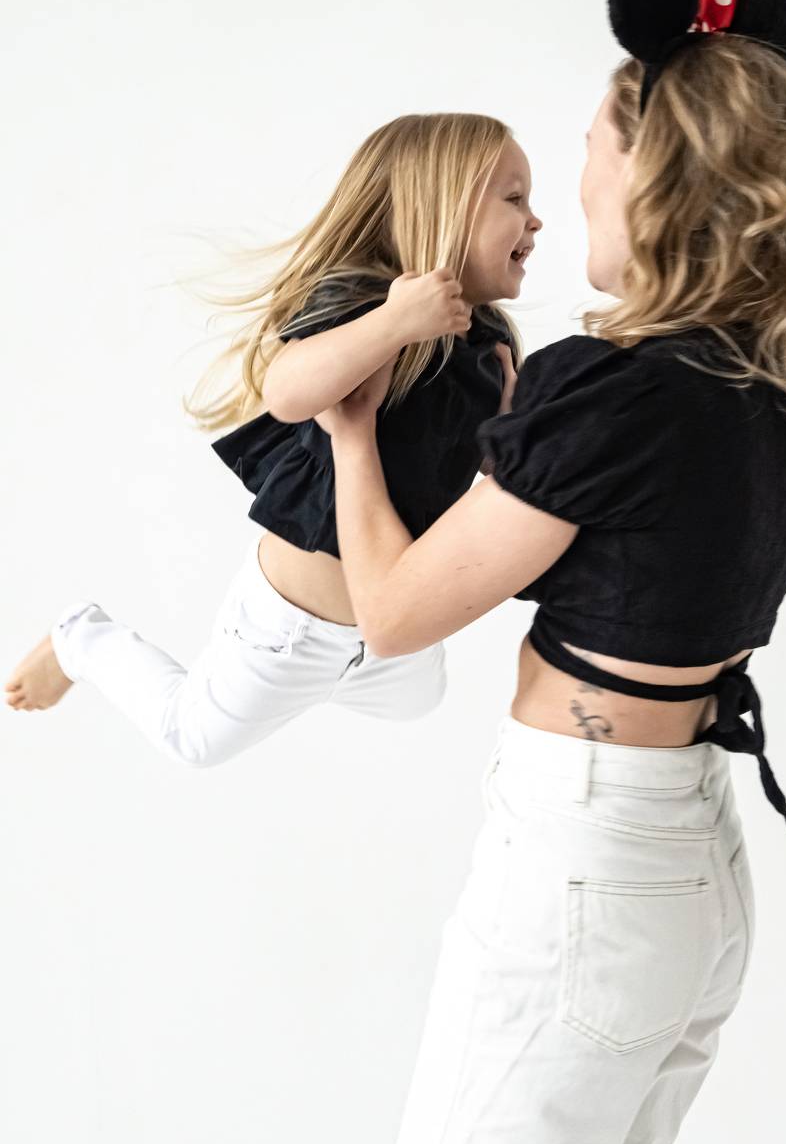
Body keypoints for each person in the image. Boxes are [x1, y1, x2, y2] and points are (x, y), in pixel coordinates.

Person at [318, 0, 786, 1144]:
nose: (575, 189)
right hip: (686, 868)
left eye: (590, 152)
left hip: (588, 866)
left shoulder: (611, 389)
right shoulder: (784, 384)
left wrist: (351, 433)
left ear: (649, 173)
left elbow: (393, 613)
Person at [4, 115, 541, 765]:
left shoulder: (489, 343)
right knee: (192, 739)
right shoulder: (364, 300)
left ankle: (345, 678)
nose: (535, 221)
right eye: (515, 199)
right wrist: (396, 322)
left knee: (421, 701)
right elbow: (288, 392)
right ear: (443, 206)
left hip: (390, 625)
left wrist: (508, 431)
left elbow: (478, 479)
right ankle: (81, 640)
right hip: (293, 627)